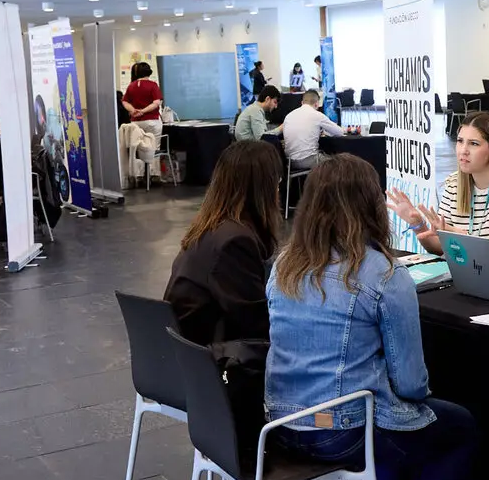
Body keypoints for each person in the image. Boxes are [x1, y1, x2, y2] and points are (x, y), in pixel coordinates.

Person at [266, 154, 477, 480]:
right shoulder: (383, 273)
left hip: (282, 428)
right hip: (340, 433)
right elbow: (411, 385)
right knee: (452, 428)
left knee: (386, 417)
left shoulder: (284, 264)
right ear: (369, 205)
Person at [164, 140, 283, 345]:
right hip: (212, 360)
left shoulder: (210, 227)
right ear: (264, 188)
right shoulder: (235, 241)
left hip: (185, 351)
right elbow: (256, 323)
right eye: (277, 183)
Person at [388, 112, 489, 261]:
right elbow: (440, 248)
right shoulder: (454, 183)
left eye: (474, 144)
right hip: (473, 273)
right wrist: (417, 224)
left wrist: (455, 233)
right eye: (460, 141)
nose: (463, 151)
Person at [282, 89, 344, 169]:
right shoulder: (317, 115)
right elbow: (339, 132)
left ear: (302, 102)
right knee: (338, 164)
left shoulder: (288, 116)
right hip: (309, 160)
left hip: (289, 162)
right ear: (317, 104)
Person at [122, 62, 164, 146]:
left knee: (138, 149)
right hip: (151, 121)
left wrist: (133, 110)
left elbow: (124, 101)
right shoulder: (153, 85)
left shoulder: (131, 86)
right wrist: (143, 111)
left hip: (135, 123)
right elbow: (156, 102)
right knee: (154, 148)